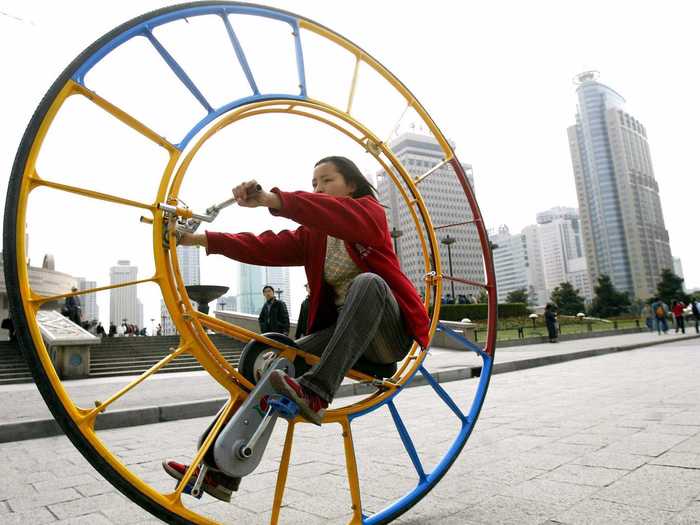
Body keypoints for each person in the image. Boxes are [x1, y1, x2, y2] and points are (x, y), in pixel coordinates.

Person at [162, 156, 430, 501]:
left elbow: (335, 215)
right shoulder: (314, 236)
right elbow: (265, 245)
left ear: (352, 185)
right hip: (345, 340)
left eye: (327, 180)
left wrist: (274, 200)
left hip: (386, 336)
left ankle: (317, 391)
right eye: (314, 183)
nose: (318, 188)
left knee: (369, 283)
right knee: (272, 359)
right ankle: (215, 470)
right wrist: (198, 240)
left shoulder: (369, 214)